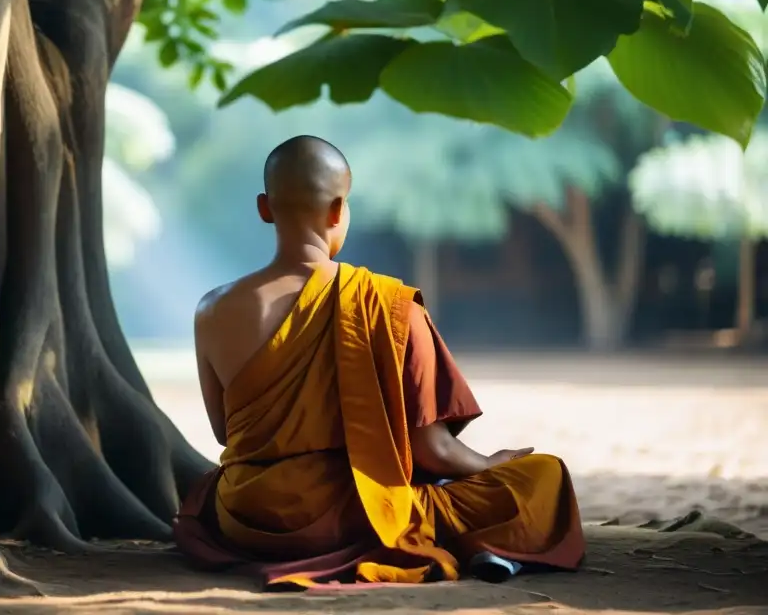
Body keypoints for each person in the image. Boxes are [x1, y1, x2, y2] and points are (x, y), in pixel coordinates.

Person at [174, 135, 585, 588]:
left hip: (247, 517)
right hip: (354, 514)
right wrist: (491, 462)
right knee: (543, 475)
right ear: (336, 211)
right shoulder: (388, 304)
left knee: (207, 492)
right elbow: (435, 450)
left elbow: (224, 433)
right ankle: (488, 547)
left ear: (264, 208)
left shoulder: (210, 309)